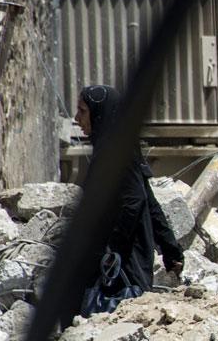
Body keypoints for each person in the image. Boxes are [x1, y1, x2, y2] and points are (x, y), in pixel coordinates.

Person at [72, 85, 184, 317]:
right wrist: (171, 249)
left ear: (99, 113)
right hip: (122, 262)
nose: (77, 118)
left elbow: (135, 200)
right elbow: (148, 199)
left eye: (82, 111)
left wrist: (111, 250)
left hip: (123, 266)